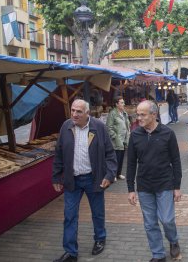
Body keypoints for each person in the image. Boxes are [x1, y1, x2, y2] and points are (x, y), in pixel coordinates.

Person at [52, 99, 117, 262]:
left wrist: (109, 175)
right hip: (71, 180)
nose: (74, 114)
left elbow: (110, 153)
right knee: (69, 215)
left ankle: (100, 238)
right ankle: (71, 252)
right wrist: (56, 176)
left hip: (93, 178)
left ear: (87, 113)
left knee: (98, 213)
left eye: (78, 111)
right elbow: (59, 153)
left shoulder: (99, 127)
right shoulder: (66, 126)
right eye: (73, 110)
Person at [126, 100, 182, 262]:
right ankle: (158, 254)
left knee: (167, 219)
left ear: (154, 115)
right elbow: (130, 163)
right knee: (150, 223)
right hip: (144, 186)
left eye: (142, 114)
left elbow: (176, 161)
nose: (138, 118)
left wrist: (176, 186)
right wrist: (131, 189)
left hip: (165, 183)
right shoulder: (135, 135)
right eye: (137, 114)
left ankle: (173, 240)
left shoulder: (168, 133)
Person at [106, 96, 130, 180]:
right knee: (115, 159)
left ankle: (119, 174)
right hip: (116, 141)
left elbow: (127, 124)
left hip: (123, 139)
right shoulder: (112, 113)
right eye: (122, 102)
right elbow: (109, 127)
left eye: (123, 102)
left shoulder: (124, 113)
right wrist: (115, 137)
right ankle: (113, 175)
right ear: (116, 104)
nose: (124, 104)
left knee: (121, 158)